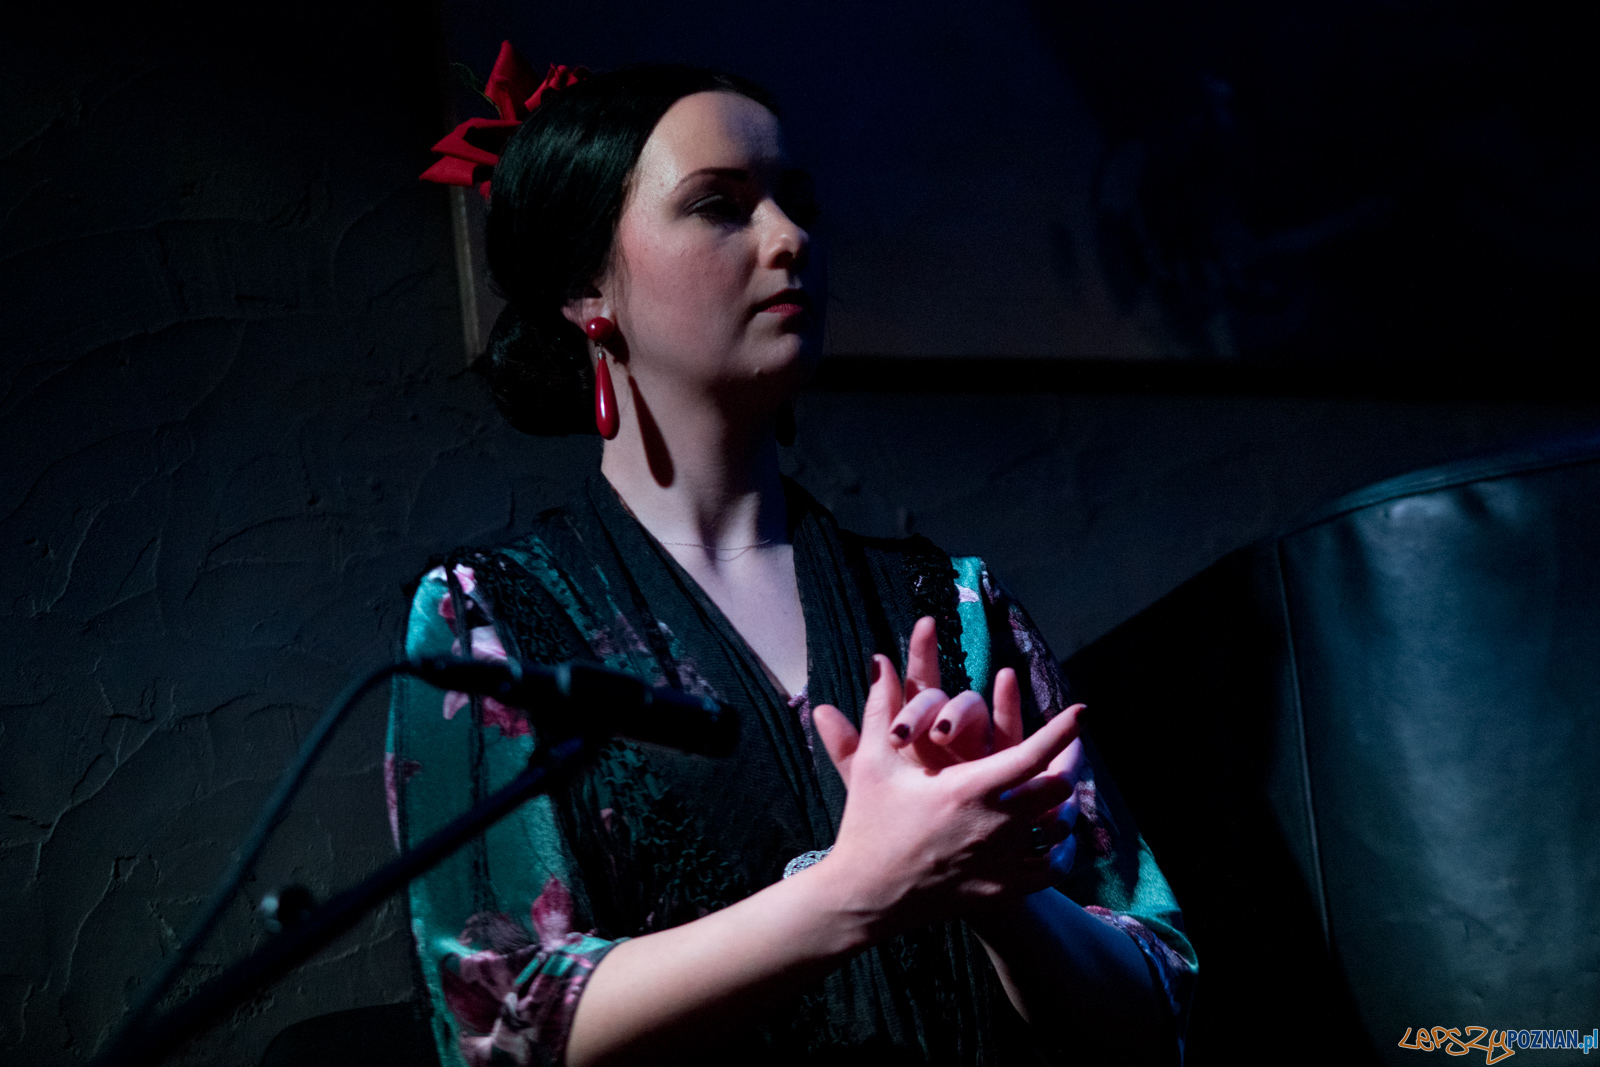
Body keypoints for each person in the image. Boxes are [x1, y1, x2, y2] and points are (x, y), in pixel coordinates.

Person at [392, 45, 1196, 1067]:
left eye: (797, 201)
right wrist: (852, 888)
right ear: (584, 287)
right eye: (719, 204)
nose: (789, 239)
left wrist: (1003, 892)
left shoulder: (950, 603)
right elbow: (497, 1028)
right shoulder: (491, 619)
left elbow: (1153, 1015)